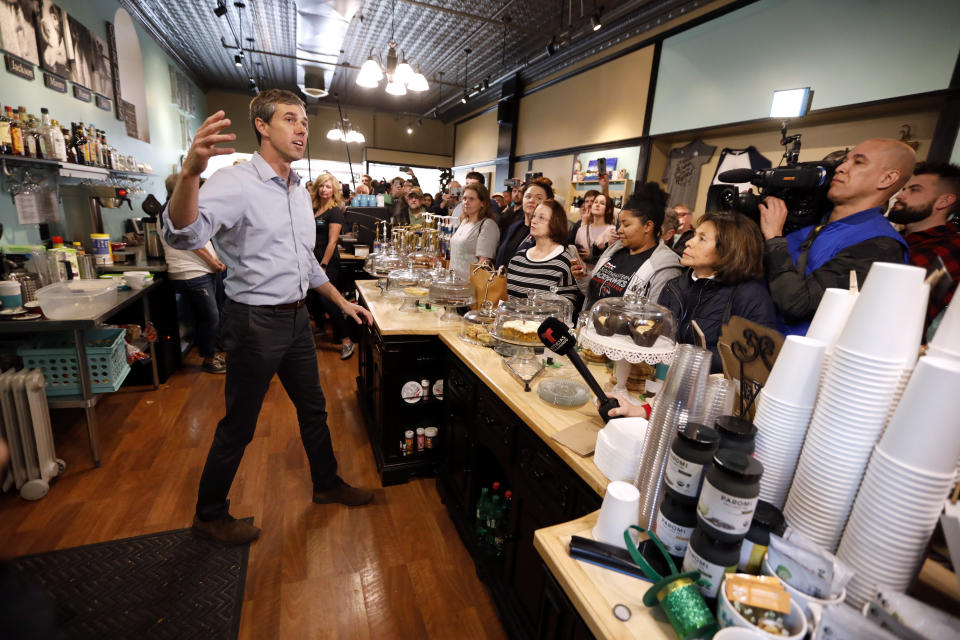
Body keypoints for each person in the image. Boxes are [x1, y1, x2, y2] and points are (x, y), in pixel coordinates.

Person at [163, 90, 375, 545]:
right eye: (290, 119)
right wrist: (190, 173)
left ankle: (326, 484)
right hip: (254, 321)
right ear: (262, 126)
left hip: (298, 319)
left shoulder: (299, 189)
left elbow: (307, 264)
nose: (302, 129)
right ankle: (209, 513)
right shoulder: (235, 182)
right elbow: (182, 234)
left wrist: (342, 303)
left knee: (314, 410)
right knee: (239, 424)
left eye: (305, 122)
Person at [761, 138, 915, 335]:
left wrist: (774, 238)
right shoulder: (808, 228)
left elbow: (798, 304)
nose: (841, 167)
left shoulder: (881, 245)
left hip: (802, 358)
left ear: (887, 178)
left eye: (858, 162)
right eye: (845, 160)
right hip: (753, 345)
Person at [659, 211, 778, 373]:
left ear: (729, 250)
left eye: (702, 239)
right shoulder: (674, 286)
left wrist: (684, 356)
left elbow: (754, 360)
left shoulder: (750, 296)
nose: (688, 243)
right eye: (694, 235)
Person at [159, 172, 226, 374]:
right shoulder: (172, 210)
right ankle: (208, 359)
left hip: (201, 272)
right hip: (190, 273)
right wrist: (213, 262)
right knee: (211, 317)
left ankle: (211, 352)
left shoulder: (184, 208)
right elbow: (190, 242)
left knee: (208, 317)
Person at [577, 183, 683, 309]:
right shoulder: (614, 251)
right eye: (619, 224)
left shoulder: (664, 269)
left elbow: (653, 319)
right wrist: (582, 278)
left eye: (626, 225)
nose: (619, 230)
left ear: (647, 226)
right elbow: (593, 295)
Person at [889, 161, 960, 335]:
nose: (899, 196)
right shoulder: (894, 237)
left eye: (914, 190)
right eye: (904, 189)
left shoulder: (952, 249)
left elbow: (908, 308)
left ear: (944, 201)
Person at [306, 172, 356, 359]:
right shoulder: (314, 209)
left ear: (334, 189)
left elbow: (332, 242)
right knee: (311, 297)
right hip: (311, 261)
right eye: (321, 186)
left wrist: (324, 264)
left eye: (328, 186)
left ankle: (346, 340)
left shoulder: (334, 211)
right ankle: (319, 327)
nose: (324, 189)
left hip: (327, 261)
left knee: (328, 299)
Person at [506, 199, 580, 307]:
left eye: (541, 218)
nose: (534, 221)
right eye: (534, 216)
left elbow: (566, 308)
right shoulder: (518, 258)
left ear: (555, 223)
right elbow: (507, 301)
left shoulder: (564, 261)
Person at [495, 178, 553, 267]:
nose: (531, 200)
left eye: (538, 198)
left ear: (548, 202)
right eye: (528, 196)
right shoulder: (513, 228)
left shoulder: (549, 233)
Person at [449, 183, 500, 279]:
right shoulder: (464, 221)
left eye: (471, 199)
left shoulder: (487, 225)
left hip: (470, 285)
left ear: (483, 203)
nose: (466, 202)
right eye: (464, 198)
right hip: (454, 281)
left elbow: (483, 263)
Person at [575, 192, 616, 269]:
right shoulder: (581, 229)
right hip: (581, 272)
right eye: (595, 202)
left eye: (602, 203)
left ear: (609, 210)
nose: (597, 205)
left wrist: (592, 256)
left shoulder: (612, 230)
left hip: (600, 272)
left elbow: (612, 257)